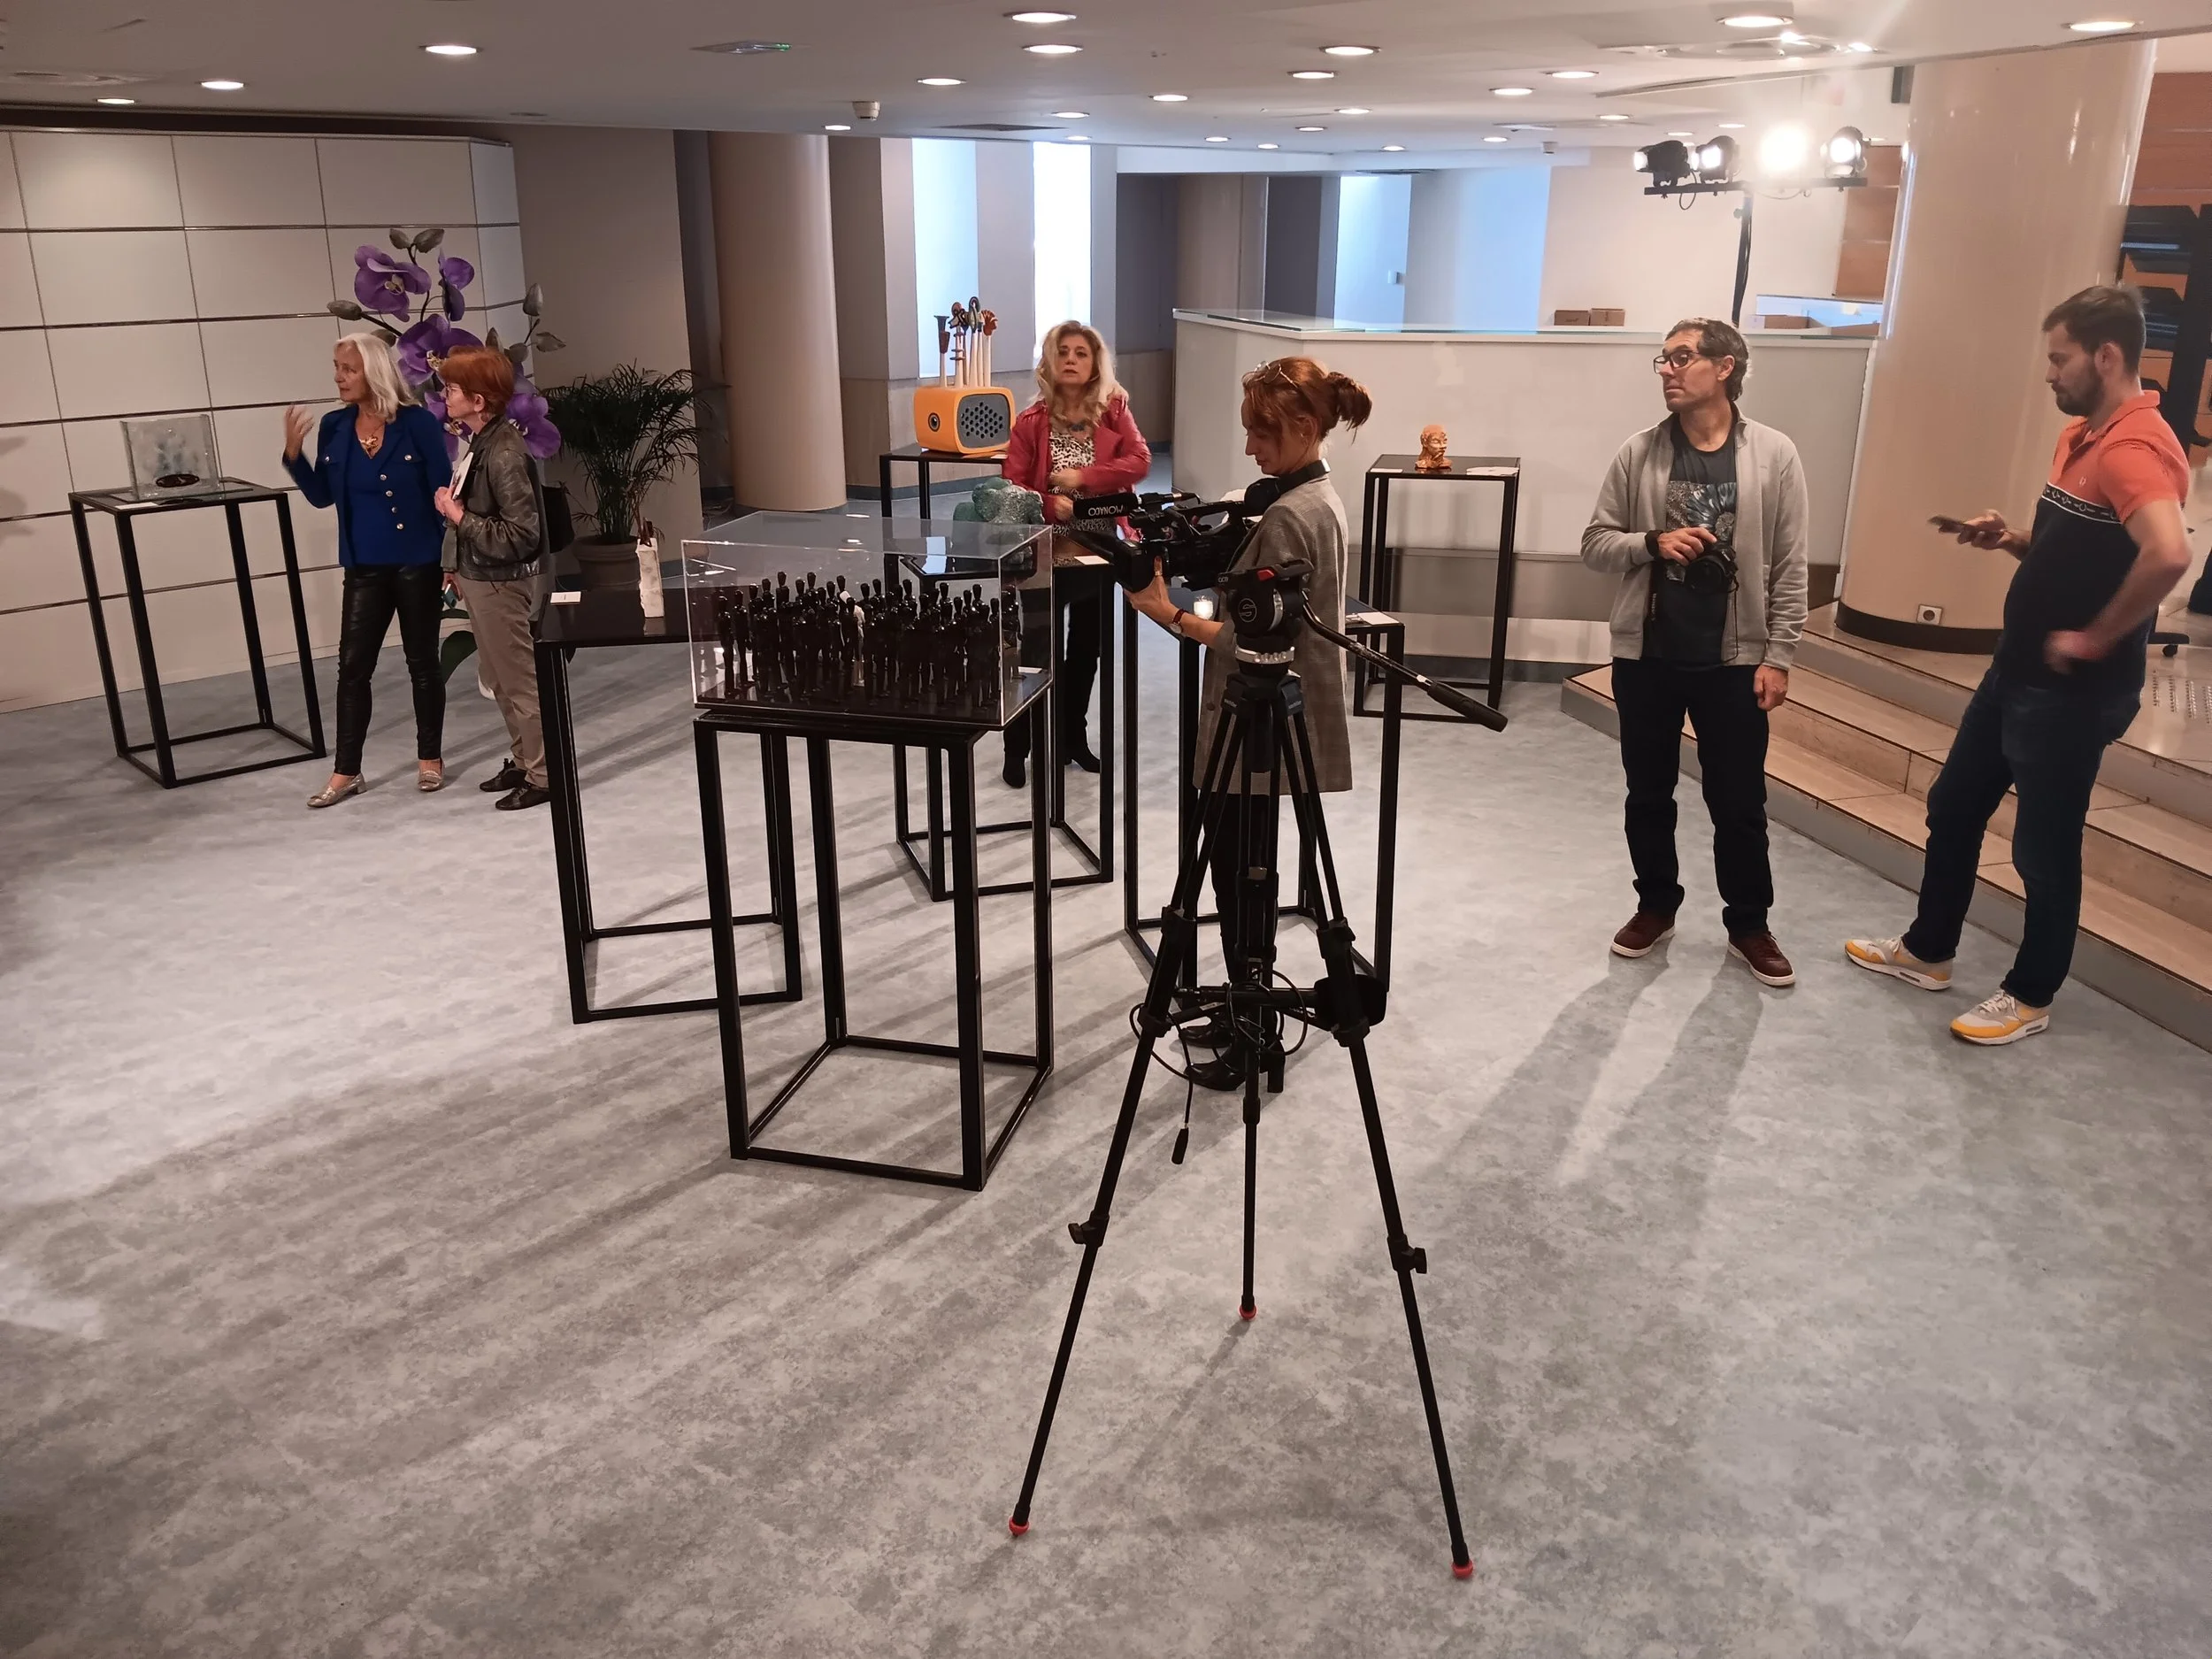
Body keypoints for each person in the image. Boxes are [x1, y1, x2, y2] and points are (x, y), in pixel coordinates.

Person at [1847, 286, 2193, 1044]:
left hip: (2073, 691)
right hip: (2016, 672)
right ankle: (1929, 951)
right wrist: (2010, 539)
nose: (2049, 373)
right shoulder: (2083, 435)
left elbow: (2170, 554)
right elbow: (2080, 551)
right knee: (1954, 806)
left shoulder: (2134, 447)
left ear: (2107, 356)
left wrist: (2097, 637)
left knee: (2043, 846)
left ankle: (2030, 994)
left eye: (2060, 359)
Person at [1124, 356, 1364, 1089]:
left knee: (1242, 877)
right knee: (1242, 870)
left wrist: (1165, 613)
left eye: (1263, 434)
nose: (1252, 448)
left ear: (1304, 426)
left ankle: (1253, 1034)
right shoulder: (1313, 496)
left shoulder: (1292, 515)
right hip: (1270, 716)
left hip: (1260, 720)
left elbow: (1255, 641)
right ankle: (1240, 1009)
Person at [1580, 317, 1810, 987]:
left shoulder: (1773, 454)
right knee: (1647, 792)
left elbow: (1790, 565)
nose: (1667, 371)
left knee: (1739, 802)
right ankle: (1656, 905)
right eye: (1663, 360)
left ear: (1725, 367)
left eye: (1682, 358)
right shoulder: (1639, 452)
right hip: (1648, 656)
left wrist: (1780, 655)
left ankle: (1749, 924)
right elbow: (1595, 543)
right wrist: (1652, 542)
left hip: (1734, 661)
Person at [283, 332, 454, 807]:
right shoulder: (335, 427)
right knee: (353, 669)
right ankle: (346, 771)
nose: (339, 377)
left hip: (418, 560)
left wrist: (453, 561)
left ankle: (430, 758)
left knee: (422, 663)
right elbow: (322, 496)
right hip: (364, 566)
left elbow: (444, 496)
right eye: (336, 368)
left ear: (373, 371)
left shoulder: (417, 424)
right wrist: (294, 457)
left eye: (348, 369)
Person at [1001, 320, 1153, 787]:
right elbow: (1012, 489)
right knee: (1035, 651)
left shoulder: (1114, 411)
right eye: (1063, 351)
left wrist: (1084, 478)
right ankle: (1018, 747)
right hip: (1044, 551)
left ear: (1094, 364)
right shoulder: (1030, 421)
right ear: (1049, 361)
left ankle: (1072, 738)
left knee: (1087, 650)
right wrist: (1052, 504)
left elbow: (1140, 461)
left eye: (1081, 353)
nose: (1071, 359)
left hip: (1098, 550)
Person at [434, 344, 550, 812]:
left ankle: (544, 774)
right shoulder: (483, 443)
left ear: (478, 400)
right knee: (501, 680)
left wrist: (458, 516)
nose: (444, 395)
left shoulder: (502, 453)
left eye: (452, 389)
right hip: (482, 576)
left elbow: (522, 534)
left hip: (501, 581)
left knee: (519, 681)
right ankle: (524, 762)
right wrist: (455, 563)